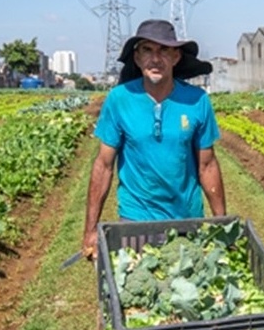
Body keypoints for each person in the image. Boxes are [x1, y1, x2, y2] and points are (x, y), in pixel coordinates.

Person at [82, 19, 226, 261]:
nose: (155, 59)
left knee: (187, 294)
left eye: (164, 50)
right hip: (136, 220)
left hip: (187, 219)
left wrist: (221, 223)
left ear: (176, 57)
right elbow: (104, 166)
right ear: (137, 58)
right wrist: (90, 231)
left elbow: (207, 165)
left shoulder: (197, 101)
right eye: (147, 50)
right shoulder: (119, 99)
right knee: (139, 294)